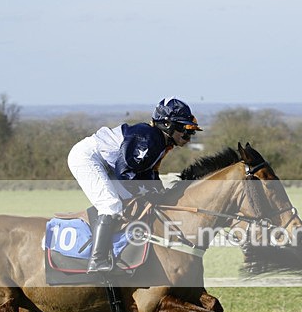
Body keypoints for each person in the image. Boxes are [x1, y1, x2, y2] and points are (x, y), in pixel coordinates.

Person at [67, 97, 202, 273]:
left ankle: (127, 255)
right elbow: (125, 172)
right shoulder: (148, 137)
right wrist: (147, 193)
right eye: (186, 130)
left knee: (135, 206)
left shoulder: (161, 142)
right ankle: (97, 260)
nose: (189, 138)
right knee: (111, 205)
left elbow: (148, 174)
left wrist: (160, 194)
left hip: (108, 165)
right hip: (88, 158)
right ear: (168, 125)